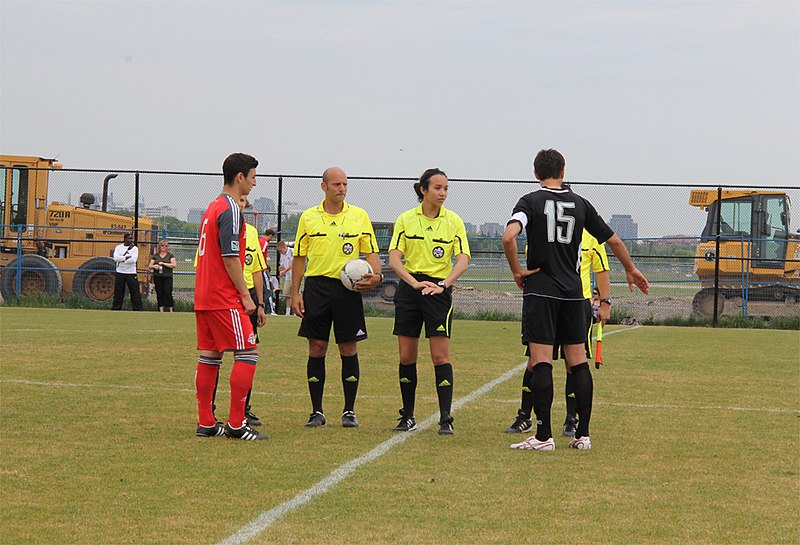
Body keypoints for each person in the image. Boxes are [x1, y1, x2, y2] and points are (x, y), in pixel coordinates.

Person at [503, 149, 649, 451]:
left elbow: (508, 237)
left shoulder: (529, 201)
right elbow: (614, 240)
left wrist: (517, 270)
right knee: (577, 361)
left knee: (541, 360)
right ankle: (582, 435)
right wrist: (631, 269)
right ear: (564, 171)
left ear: (535, 174)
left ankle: (543, 436)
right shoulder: (580, 204)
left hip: (542, 290)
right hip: (574, 294)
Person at [291, 166, 382, 428]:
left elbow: (371, 251)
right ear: (324, 187)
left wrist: (375, 275)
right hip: (317, 288)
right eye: (336, 185)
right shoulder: (308, 218)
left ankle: (349, 411)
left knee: (348, 348)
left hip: (348, 291)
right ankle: (316, 411)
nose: (341, 189)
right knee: (317, 348)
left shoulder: (359, 216)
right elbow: (299, 257)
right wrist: (296, 292)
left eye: (344, 184)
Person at [504, 230, 611, 437]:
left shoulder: (591, 236)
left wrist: (604, 302)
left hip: (577, 305)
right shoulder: (546, 232)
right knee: (535, 361)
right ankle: (525, 416)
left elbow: (601, 270)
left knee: (574, 363)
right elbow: (533, 265)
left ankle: (571, 419)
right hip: (547, 303)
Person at [388, 168, 470, 436]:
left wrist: (443, 284)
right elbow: (395, 259)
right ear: (423, 190)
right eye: (437, 187)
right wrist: (413, 283)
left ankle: (445, 418)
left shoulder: (454, 221)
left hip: (439, 292)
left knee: (439, 356)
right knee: (406, 356)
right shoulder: (406, 219)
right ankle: (407, 415)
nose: (443, 193)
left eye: (446, 188)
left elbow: (462, 260)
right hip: (410, 290)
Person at [193, 152, 266, 441]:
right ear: (240, 177)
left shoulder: (212, 207)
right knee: (248, 352)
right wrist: (245, 297)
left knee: (210, 355)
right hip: (224, 297)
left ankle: (207, 422)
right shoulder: (231, 210)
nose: (254, 183)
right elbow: (230, 257)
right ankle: (237, 425)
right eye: (253, 177)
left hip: (204, 295)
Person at [112, 233, 143, 311]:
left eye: (132, 238)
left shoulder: (134, 248)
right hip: (120, 272)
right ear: (125, 239)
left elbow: (133, 260)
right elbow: (115, 258)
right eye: (129, 238)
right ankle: (116, 308)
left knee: (135, 292)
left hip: (131, 273)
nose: (131, 240)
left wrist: (122, 259)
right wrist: (125, 258)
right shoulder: (118, 247)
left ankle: (137, 308)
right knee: (119, 291)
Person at [148, 239, 177, 312]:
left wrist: (164, 264)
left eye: (166, 246)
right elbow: (150, 265)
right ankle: (161, 309)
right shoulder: (155, 256)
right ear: (159, 246)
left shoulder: (170, 255)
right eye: (162, 245)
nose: (164, 247)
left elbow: (174, 265)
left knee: (168, 293)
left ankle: (171, 309)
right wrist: (155, 266)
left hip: (167, 277)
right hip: (158, 276)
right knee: (159, 293)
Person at [277, 240, 293, 315]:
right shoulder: (282, 255)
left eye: (281, 250)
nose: (280, 252)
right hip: (288, 276)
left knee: (296, 293)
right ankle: (288, 312)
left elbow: (293, 264)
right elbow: (283, 265)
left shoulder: (292, 251)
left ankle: (299, 310)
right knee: (287, 294)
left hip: (295, 275)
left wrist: (285, 271)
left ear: (284, 247)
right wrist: (281, 269)